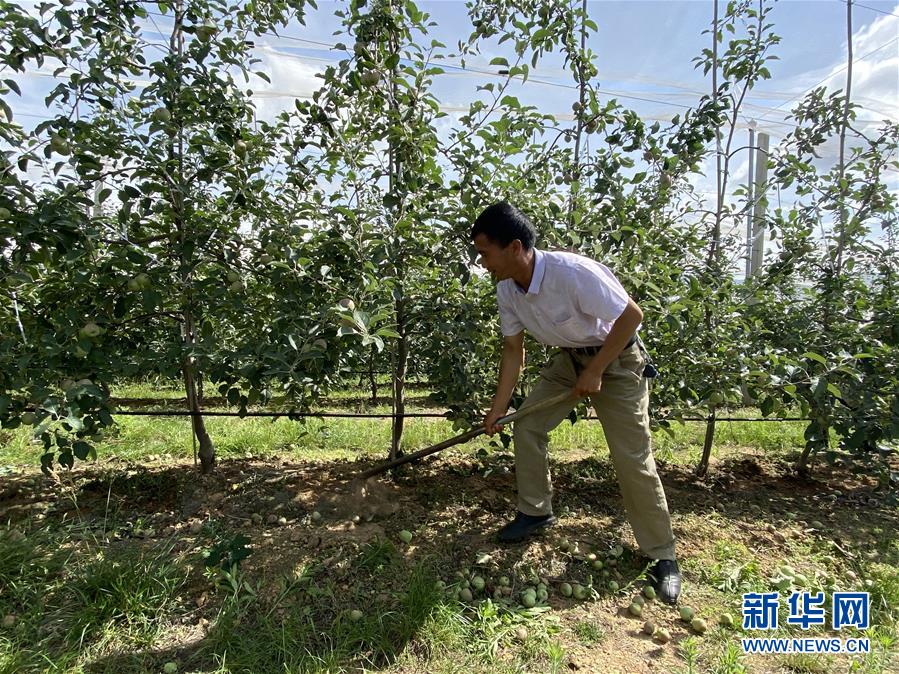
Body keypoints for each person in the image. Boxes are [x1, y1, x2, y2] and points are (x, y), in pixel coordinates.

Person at [471, 201, 681, 604]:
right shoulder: (506, 291)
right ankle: (535, 510)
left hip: (616, 360)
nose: (483, 263)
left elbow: (631, 317)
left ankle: (662, 554)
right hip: (569, 360)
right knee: (527, 425)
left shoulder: (572, 274)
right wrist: (500, 406)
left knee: (631, 457)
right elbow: (513, 351)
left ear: (514, 247)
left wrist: (597, 369)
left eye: (485, 253)